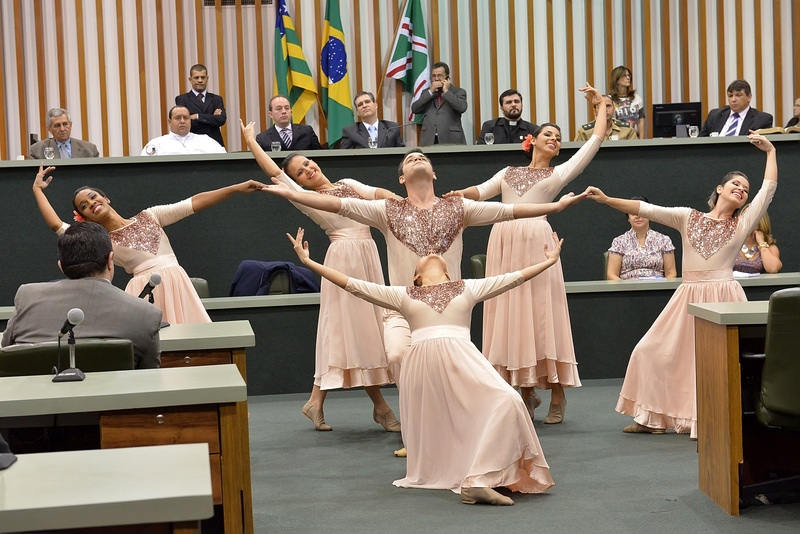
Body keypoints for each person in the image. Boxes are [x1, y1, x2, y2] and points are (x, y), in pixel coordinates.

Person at [287, 227, 559, 505]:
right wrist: (309, 262)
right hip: (423, 367)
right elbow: (352, 284)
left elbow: (514, 278)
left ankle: (478, 479)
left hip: (463, 359)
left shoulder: (468, 287)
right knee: (446, 422)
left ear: (449, 274)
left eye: (436, 254)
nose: (430, 251)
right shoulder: (403, 294)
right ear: (415, 277)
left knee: (508, 401)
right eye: (424, 256)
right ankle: (475, 479)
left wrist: (549, 262)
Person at [585, 131, 777, 438]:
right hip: (689, 296)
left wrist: (770, 152)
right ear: (720, 188)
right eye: (736, 184)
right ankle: (652, 417)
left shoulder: (742, 224)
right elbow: (645, 209)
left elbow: (767, 190)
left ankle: (712, 419)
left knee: (714, 363)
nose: (741, 189)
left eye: (745, 188)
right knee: (649, 351)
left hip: (724, 296)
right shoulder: (688, 217)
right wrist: (607, 199)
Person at [445, 84, 604, 424]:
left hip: (537, 244)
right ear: (531, 140)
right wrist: (459, 194)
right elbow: (481, 191)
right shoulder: (508, 172)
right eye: (548, 134)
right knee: (510, 314)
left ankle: (557, 393)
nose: (554, 139)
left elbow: (594, 142)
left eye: (558, 138)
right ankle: (525, 392)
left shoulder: (558, 173)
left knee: (543, 314)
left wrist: (601, 106)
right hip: (504, 242)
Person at [241, 119, 401, 433]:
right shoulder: (306, 198)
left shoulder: (348, 183)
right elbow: (275, 173)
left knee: (365, 331)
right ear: (297, 181)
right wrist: (251, 141)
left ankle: (318, 402)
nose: (307, 170)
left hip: (367, 257)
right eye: (300, 173)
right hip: (343, 261)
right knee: (348, 332)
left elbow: (377, 194)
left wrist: (402, 201)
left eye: (307, 163)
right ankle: (379, 408)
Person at [32, 164, 266, 324]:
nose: (91, 203)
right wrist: (37, 190)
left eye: (93, 197)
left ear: (106, 198)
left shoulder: (151, 215)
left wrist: (235, 188)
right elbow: (57, 226)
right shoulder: (99, 238)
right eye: (84, 205)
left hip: (177, 283)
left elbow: (193, 203)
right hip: (144, 290)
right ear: (84, 217)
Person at [2, 222, 162, 369]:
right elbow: (150, 378)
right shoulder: (147, 314)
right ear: (110, 260)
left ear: (61, 267)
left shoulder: (27, 296)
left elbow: (7, 354)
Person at [607, 196, 677, 280]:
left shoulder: (664, 240)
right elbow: (612, 275)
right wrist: (625, 287)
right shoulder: (619, 242)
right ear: (628, 218)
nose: (637, 216)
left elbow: (671, 273)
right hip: (627, 286)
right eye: (633, 212)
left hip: (657, 286)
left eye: (641, 212)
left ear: (649, 215)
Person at [411, 62, 468, 145]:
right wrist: (430, 92)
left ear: (447, 77)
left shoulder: (458, 92)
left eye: (440, 75)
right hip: (429, 139)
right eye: (434, 76)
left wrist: (446, 91)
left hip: (451, 139)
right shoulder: (426, 92)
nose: (436, 79)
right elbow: (415, 109)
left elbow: (462, 108)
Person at [175, 63, 227, 148]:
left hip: (215, 144)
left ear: (207, 78)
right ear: (190, 79)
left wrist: (197, 116)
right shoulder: (182, 99)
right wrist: (212, 118)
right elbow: (186, 123)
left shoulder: (217, 99)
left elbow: (221, 120)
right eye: (196, 77)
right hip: (192, 145)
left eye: (203, 77)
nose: (200, 80)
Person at [699, 79, 773, 137]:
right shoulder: (715, 116)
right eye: (730, 96)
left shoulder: (762, 120)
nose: (733, 100)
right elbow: (700, 142)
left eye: (738, 95)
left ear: (749, 97)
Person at [142, 106, 226, 155]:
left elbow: (224, 160)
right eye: (178, 118)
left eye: (186, 118)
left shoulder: (206, 140)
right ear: (169, 122)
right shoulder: (157, 144)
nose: (182, 121)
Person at [255, 95, 323, 151]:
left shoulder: (307, 131)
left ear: (291, 112)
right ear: (271, 114)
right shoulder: (262, 139)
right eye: (279, 109)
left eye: (287, 108)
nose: (284, 111)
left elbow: (320, 156)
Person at [340, 91, 406, 149]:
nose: (364, 106)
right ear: (357, 112)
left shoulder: (392, 128)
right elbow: (345, 156)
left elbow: (401, 153)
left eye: (367, 102)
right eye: (360, 104)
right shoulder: (350, 132)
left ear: (375, 105)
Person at [28, 108, 100, 159]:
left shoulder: (90, 150)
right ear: (49, 129)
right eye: (57, 125)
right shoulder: (37, 150)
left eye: (65, 124)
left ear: (70, 125)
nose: (62, 129)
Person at [733, 205, 781, 274]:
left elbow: (773, 268)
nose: (747, 221)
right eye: (744, 217)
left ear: (761, 221)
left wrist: (762, 243)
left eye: (752, 217)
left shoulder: (771, 248)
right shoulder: (732, 244)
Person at [608, 66, 646, 138]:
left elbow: (640, 120)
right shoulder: (609, 99)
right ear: (617, 80)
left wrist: (641, 140)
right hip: (616, 138)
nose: (628, 78)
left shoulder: (636, 98)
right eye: (624, 76)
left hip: (634, 137)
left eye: (629, 75)